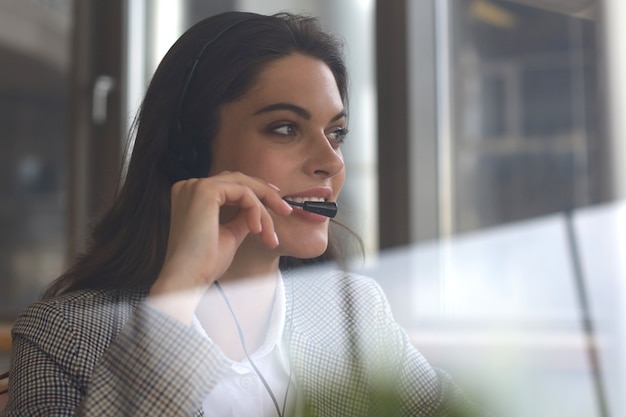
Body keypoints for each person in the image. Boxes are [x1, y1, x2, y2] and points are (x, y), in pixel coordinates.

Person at [1, 11, 485, 417]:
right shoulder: (64, 337)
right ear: (188, 153)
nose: (331, 161)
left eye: (335, 133)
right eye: (284, 128)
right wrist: (178, 290)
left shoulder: (352, 312)